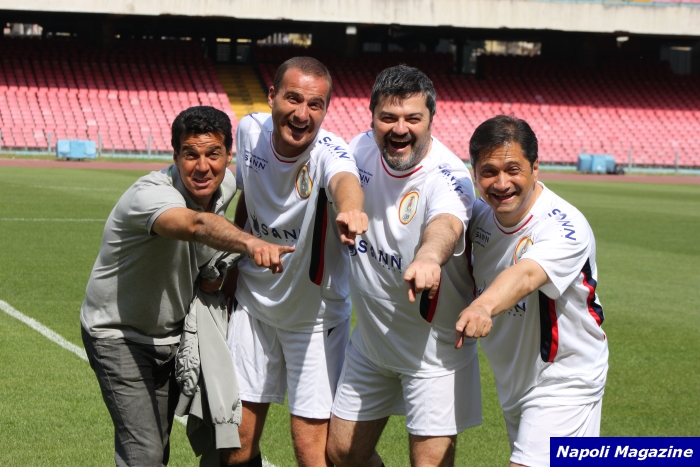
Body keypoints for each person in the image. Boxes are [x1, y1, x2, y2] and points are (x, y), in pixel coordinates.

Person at [80, 106, 292, 467]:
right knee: (145, 453)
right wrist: (250, 243)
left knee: (195, 439)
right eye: (190, 154)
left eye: (213, 154)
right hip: (119, 335)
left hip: (175, 334)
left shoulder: (226, 185)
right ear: (175, 156)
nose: (202, 166)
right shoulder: (150, 195)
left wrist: (214, 269)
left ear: (229, 156)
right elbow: (195, 225)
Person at [327, 65, 482, 467]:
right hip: (372, 342)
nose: (400, 129)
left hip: (433, 352)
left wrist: (429, 257)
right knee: (343, 453)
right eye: (388, 117)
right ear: (371, 117)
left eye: (413, 118)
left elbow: (446, 224)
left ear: (431, 118)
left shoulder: (449, 176)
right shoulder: (359, 148)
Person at [222, 57, 368, 467]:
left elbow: (345, 182)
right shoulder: (249, 130)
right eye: (293, 99)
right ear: (272, 96)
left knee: (310, 451)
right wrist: (234, 263)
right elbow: (249, 197)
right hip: (253, 308)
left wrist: (351, 211)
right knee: (235, 444)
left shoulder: (330, 152)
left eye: (315, 104)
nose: (303, 114)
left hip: (313, 321)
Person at [455, 115, 609, 467]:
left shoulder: (564, 227)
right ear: (474, 173)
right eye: (489, 172)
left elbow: (526, 275)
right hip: (515, 378)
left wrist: (483, 306)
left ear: (535, 167)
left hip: (565, 376)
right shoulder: (479, 215)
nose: (501, 183)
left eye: (513, 169)